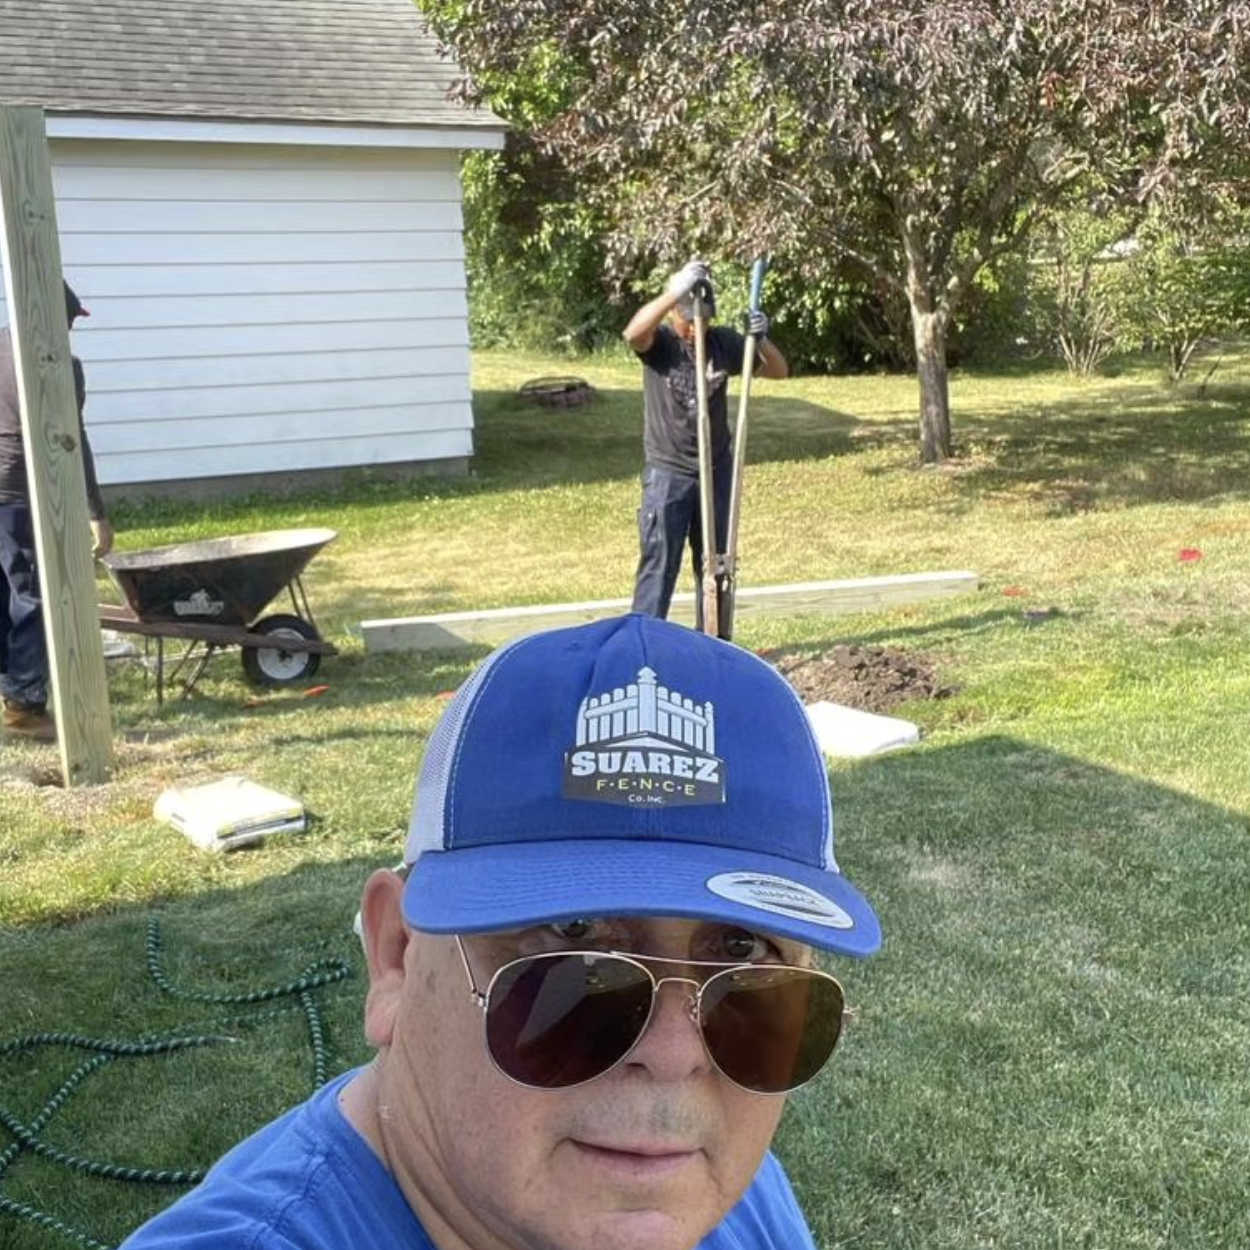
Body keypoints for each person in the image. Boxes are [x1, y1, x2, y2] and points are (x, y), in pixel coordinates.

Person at [120, 612, 882, 1250]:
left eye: (743, 954)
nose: (680, 1056)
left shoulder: (716, 1191)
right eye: (576, 941)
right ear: (395, 957)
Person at [624, 260, 788, 627]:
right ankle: (642, 644)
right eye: (691, 321)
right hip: (669, 472)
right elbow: (632, 334)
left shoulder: (722, 344)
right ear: (675, 317)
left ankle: (714, 642)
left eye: (706, 320)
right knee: (660, 561)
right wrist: (674, 294)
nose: (699, 329)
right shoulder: (661, 345)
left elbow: (779, 370)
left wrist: (759, 338)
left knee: (715, 564)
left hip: (715, 470)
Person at [0, 280, 113, 741]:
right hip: (21, 491)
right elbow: (73, 442)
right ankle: (24, 705)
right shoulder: (61, 367)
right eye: (68, 322)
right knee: (33, 595)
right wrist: (95, 512)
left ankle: (11, 689)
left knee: (3, 592)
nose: (68, 333)